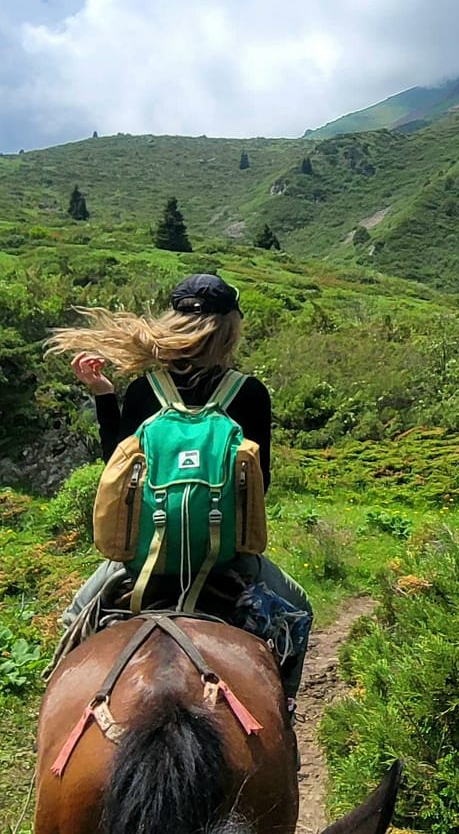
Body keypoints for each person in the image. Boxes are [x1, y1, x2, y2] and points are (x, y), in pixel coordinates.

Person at [46, 273, 312, 709]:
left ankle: (53, 723)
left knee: (76, 615)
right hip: (227, 558)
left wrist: (104, 395)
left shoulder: (143, 391)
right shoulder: (249, 394)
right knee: (298, 607)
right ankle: (284, 711)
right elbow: (260, 484)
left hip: (141, 561)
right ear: (229, 328)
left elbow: (118, 469)